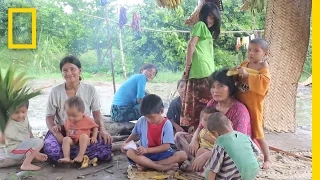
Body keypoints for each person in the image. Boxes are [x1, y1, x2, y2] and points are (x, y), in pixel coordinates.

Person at [175, 69, 251, 171]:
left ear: (231, 88)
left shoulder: (239, 111)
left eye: (221, 86)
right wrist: (194, 140)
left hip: (228, 151)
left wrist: (207, 155)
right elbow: (201, 125)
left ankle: (197, 165)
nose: (215, 90)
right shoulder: (212, 103)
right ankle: (197, 163)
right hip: (207, 144)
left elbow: (237, 145)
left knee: (214, 157)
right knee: (179, 136)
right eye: (213, 87)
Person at [43, 55, 112, 163]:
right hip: (62, 131)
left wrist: (102, 129)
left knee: (106, 147)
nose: (69, 73)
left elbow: (97, 114)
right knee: (53, 151)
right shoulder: (55, 92)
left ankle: (75, 154)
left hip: (84, 133)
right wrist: (58, 134)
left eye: (72, 69)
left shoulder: (90, 90)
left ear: (79, 70)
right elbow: (49, 118)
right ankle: (74, 154)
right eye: (65, 70)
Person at [181, 2, 221, 131]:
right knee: (202, 106)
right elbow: (191, 45)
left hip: (206, 72)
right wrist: (187, 67)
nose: (211, 21)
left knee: (203, 106)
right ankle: (199, 134)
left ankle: (203, 134)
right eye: (210, 16)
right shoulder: (200, 25)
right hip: (201, 71)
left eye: (214, 18)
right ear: (204, 15)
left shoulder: (206, 30)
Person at [121, 94, 187, 171]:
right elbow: (134, 134)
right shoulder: (141, 120)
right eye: (146, 117)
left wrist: (147, 150)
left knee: (183, 155)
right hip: (144, 155)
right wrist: (125, 144)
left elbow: (166, 146)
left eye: (151, 117)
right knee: (130, 152)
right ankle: (159, 167)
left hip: (162, 154)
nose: (148, 120)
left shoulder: (167, 124)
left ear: (161, 111)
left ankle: (148, 165)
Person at [235, 38, 272, 169]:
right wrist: (236, 73)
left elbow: (264, 83)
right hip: (240, 102)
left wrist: (247, 76)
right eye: (250, 50)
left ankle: (267, 158)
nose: (251, 53)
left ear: (265, 54)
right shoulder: (245, 63)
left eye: (256, 51)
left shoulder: (263, 68)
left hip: (254, 106)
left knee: (257, 132)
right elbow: (238, 77)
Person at [204, 112, 260, 180]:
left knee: (208, 171)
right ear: (231, 123)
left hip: (234, 177)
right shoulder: (244, 136)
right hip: (252, 174)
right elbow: (257, 152)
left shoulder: (220, 144)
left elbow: (213, 169)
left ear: (215, 133)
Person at [0, 101, 47, 170]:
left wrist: (36, 151)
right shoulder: (8, 122)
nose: (20, 115)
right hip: (14, 150)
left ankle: (32, 156)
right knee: (40, 141)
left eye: (23, 112)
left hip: (24, 147)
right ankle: (26, 164)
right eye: (16, 112)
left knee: (39, 142)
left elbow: (30, 133)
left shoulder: (25, 119)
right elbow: (2, 140)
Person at [54, 96, 99, 163]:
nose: (71, 118)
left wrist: (94, 137)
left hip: (84, 141)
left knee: (83, 136)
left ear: (82, 112)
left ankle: (80, 156)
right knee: (66, 139)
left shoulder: (87, 119)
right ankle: (66, 157)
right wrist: (59, 127)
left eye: (75, 116)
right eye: (69, 115)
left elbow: (95, 127)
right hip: (72, 141)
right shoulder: (68, 120)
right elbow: (64, 127)